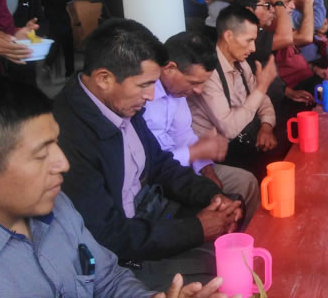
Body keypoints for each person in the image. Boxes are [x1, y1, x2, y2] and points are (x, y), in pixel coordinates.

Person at [0, 74, 239, 297]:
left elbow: (107, 279)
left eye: (56, 143)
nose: (63, 164)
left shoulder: (57, 206)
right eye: (41, 153)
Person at [52, 19, 243, 289]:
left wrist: (211, 195)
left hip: (154, 213)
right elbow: (107, 235)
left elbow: (160, 164)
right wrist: (197, 229)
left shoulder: (121, 105)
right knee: (225, 275)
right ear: (104, 79)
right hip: (122, 258)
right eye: (144, 85)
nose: (151, 96)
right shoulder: (68, 136)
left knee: (234, 216)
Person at [144, 32, 259, 223]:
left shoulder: (177, 92)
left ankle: (244, 236)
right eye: (194, 83)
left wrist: (206, 169)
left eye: (203, 83)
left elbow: (183, 133)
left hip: (185, 167)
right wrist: (196, 152)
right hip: (160, 179)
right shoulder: (142, 98)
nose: (198, 90)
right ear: (170, 68)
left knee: (246, 182)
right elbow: (151, 166)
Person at [187, 6, 282, 179]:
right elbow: (229, 129)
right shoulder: (208, 72)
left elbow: (262, 100)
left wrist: (266, 127)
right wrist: (261, 88)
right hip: (220, 153)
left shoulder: (241, 64)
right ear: (229, 36)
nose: (253, 48)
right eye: (249, 40)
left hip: (247, 138)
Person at [37, 0, 81, 78]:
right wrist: (77, 22)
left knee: (53, 46)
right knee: (68, 50)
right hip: (64, 23)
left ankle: (47, 65)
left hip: (50, 23)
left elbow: (38, 8)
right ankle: (69, 75)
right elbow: (71, 9)